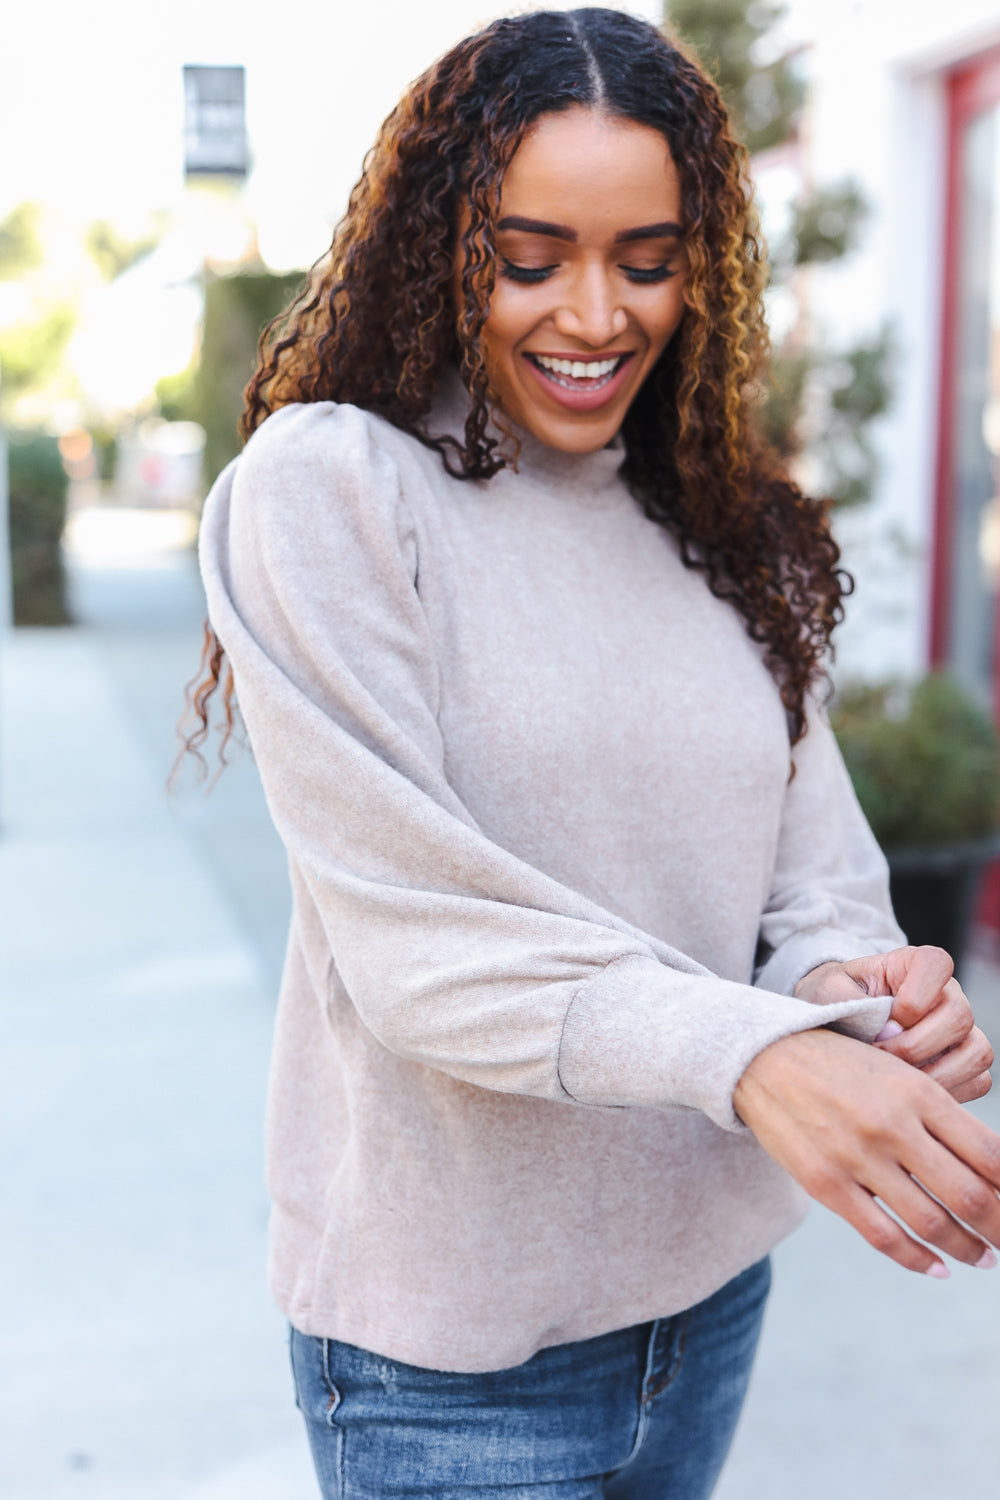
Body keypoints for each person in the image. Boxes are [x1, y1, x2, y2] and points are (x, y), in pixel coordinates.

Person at [190, 9, 999, 1497]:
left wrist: (858, 995)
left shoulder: (724, 525)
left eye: (647, 258)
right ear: (443, 241)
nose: (594, 314)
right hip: (449, 1360)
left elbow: (811, 877)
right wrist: (760, 1065)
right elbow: (418, 938)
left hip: (708, 1297)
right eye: (530, 255)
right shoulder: (334, 490)